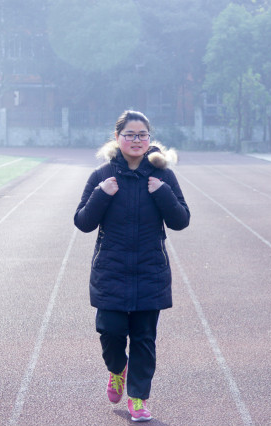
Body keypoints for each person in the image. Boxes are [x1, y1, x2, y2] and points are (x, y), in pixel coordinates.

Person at [74, 110, 190, 422]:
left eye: (142, 135)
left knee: (143, 339)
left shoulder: (163, 176)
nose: (136, 140)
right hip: (110, 271)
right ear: (117, 138)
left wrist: (162, 193)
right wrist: (101, 195)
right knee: (110, 332)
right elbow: (83, 222)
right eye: (130, 135)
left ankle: (137, 398)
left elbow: (181, 220)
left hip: (150, 271)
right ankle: (117, 368)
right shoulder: (101, 176)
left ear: (149, 139)